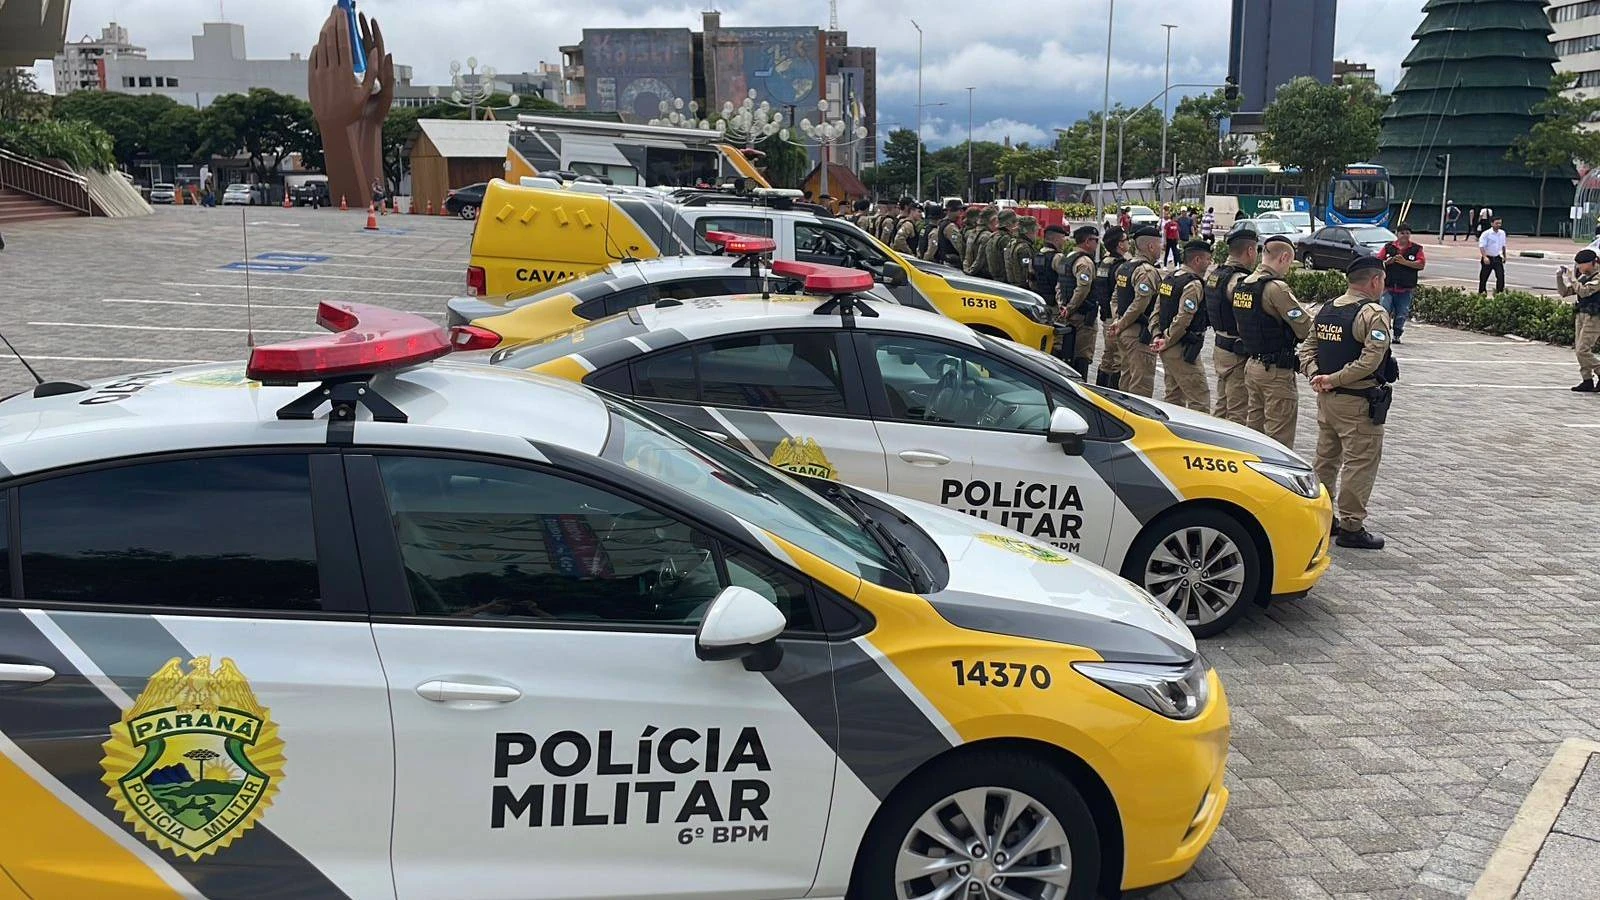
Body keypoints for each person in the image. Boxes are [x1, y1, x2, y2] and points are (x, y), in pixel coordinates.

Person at [1300, 255, 1397, 551]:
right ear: (1375, 281)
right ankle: (1351, 527)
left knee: (1326, 460)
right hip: (1357, 403)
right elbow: (1370, 360)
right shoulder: (1373, 313)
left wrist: (1316, 376)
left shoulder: (1328, 308)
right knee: (1360, 463)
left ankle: (1323, 517)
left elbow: (1307, 349)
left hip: (1327, 401)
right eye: (1383, 281)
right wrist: (1333, 379)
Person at [1235, 234, 1312, 449]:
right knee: (1279, 440)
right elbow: (1305, 328)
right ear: (1284, 257)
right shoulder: (1276, 288)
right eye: (1290, 263)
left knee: (1253, 434)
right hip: (1275, 372)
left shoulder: (1244, 283)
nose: (1288, 269)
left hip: (1252, 365)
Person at [1151, 240, 1214, 412]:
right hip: (1182, 348)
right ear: (1197, 260)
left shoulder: (1170, 278)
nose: (1210, 263)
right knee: (1199, 400)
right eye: (1208, 259)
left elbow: (1157, 311)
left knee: (1173, 397)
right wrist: (1167, 340)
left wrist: (1157, 335)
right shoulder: (1192, 284)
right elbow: (1183, 318)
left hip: (1167, 346)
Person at [1206, 226, 1258, 424]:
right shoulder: (1239, 281)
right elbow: (1248, 317)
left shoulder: (1216, 274)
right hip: (1236, 353)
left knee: (1222, 406)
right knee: (1238, 412)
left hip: (1221, 347)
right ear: (1250, 251)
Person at [1108, 224, 1164, 397]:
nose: (1161, 248)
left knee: (1126, 380)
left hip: (1124, 332)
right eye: (1160, 244)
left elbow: (1115, 298)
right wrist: (1121, 323)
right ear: (1151, 246)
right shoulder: (1146, 271)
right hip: (1138, 334)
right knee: (1140, 387)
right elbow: (1140, 303)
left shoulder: (1125, 267)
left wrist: (1118, 321)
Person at [1054, 225, 1100, 377]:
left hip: (1066, 313)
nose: (1097, 244)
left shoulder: (1066, 259)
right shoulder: (1084, 262)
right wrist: (1070, 308)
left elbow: (1059, 285)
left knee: (1065, 352)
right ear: (1087, 241)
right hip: (1082, 316)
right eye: (1095, 240)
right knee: (1082, 355)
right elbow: (1082, 289)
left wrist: (1062, 306)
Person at [1556, 248, 1600, 392]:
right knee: (1579, 349)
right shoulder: (1583, 277)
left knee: (1583, 350)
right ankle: (1587, 379)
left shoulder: (1598, 277)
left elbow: (1584, 291)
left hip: (1595, 316)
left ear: (1592, 263)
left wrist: (1573, 279)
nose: (1578, 267)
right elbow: (1565, 292)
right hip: (1581, 314)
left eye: (1581, 264)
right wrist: (1559, 277)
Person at [1377, 224, 1425, 344]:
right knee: (1384, 310)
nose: (1405, 235)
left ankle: (1397, 335)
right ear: (1397, 234)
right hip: (1388, 287)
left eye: (1407, 233)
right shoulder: (1388, 247)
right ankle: (1382, 334)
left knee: (1401, 313)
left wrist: (1405, 262)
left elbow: (1421, 264)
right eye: (1402, 233)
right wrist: (1387, 262)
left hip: (1405, 289)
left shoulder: (1416, 249)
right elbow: (1378, 262)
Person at [1094, 227, 1128, 388]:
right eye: (1126, 240)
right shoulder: (1120, 266)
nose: (1128, 243)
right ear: (1119, 244)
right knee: (1118, 360)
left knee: (1108, 357)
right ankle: (1112, 395)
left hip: (1105, 315)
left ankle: (1100, 390)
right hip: (1115, 318)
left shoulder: (1104, 263)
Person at [987, 208, 1021, 284]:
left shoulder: (993, 236)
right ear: (1009, 224)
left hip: (995, 278)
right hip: (1004, 280)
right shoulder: (1006, 239)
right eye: (1015, 222)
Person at [931, 199, 967, 267]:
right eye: (959, 210)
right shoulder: (950, 226)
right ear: (952, 211)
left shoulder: (941, 223)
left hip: (945, 261)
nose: (961, 213)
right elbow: (959, 246)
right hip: (953, 263)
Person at [963, 206, 997, 277]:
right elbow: (980, 260)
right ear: (993, 220)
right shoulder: (987, 236)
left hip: (972, 274)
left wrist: (966, 270)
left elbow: (967, 258)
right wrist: (970, 272)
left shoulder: (972, 233)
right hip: (983, 276)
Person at [1006, 216, 1038, 289]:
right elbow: (1026, 273)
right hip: (1023, 288)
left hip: (1013, 286)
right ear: (1030, 230)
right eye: (1035, 231)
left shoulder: (1013, 243)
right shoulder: (1024, 248)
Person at [1478, 217, 1507, 295]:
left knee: (1500, 276)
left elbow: (1503, 245)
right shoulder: (1486, 234)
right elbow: (1482, 246)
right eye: (1496, 223)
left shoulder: (1502, 233)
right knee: (1484, 277)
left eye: (1500, 223)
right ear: (1492, 224)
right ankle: (1482, 292)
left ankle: (1499, 292)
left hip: (1497, 257)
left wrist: (1504, 256)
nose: (1498, 225)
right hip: (1488, 257)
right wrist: (1484, 257)